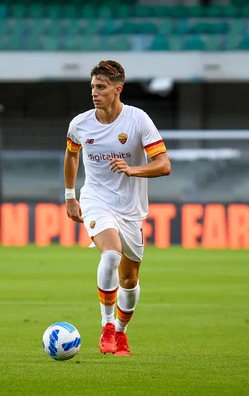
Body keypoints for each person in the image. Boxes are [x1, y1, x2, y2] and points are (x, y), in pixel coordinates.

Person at [62, 60, 171, 356]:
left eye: (101, 87)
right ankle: (107, 327)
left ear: (117, 89)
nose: (94, 93)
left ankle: (121, 333)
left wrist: (132, 170)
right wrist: (71, 195)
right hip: (96, 199)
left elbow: (164, 165)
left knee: (129, 280)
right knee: (110, 254)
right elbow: (72, 155)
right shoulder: (80, 123)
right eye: (93, 87)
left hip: (131, 209)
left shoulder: (138, 121)